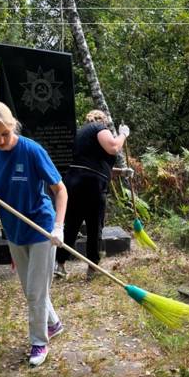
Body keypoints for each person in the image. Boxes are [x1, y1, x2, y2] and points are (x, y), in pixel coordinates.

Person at [0, 100, 68, 367]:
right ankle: (53, 323)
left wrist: (58, 227)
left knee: (36, 292)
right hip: (14, 229)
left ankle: (39, 342)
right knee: (30, 289)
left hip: (41, 227)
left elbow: (60, 190)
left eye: (5, 133)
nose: (1, 140)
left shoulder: (32, 151)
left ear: (13, 125)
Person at [54, 110, 129, 281]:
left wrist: (121, 171)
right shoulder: (98, 128)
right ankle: (92, 268)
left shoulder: (82, 135)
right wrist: (123, 134)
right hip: (91, 187)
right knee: (95, 226)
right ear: (102, 120)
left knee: (72, 224)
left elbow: (95, 165)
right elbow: (114, 147)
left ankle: (60, 264)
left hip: (75, 182)